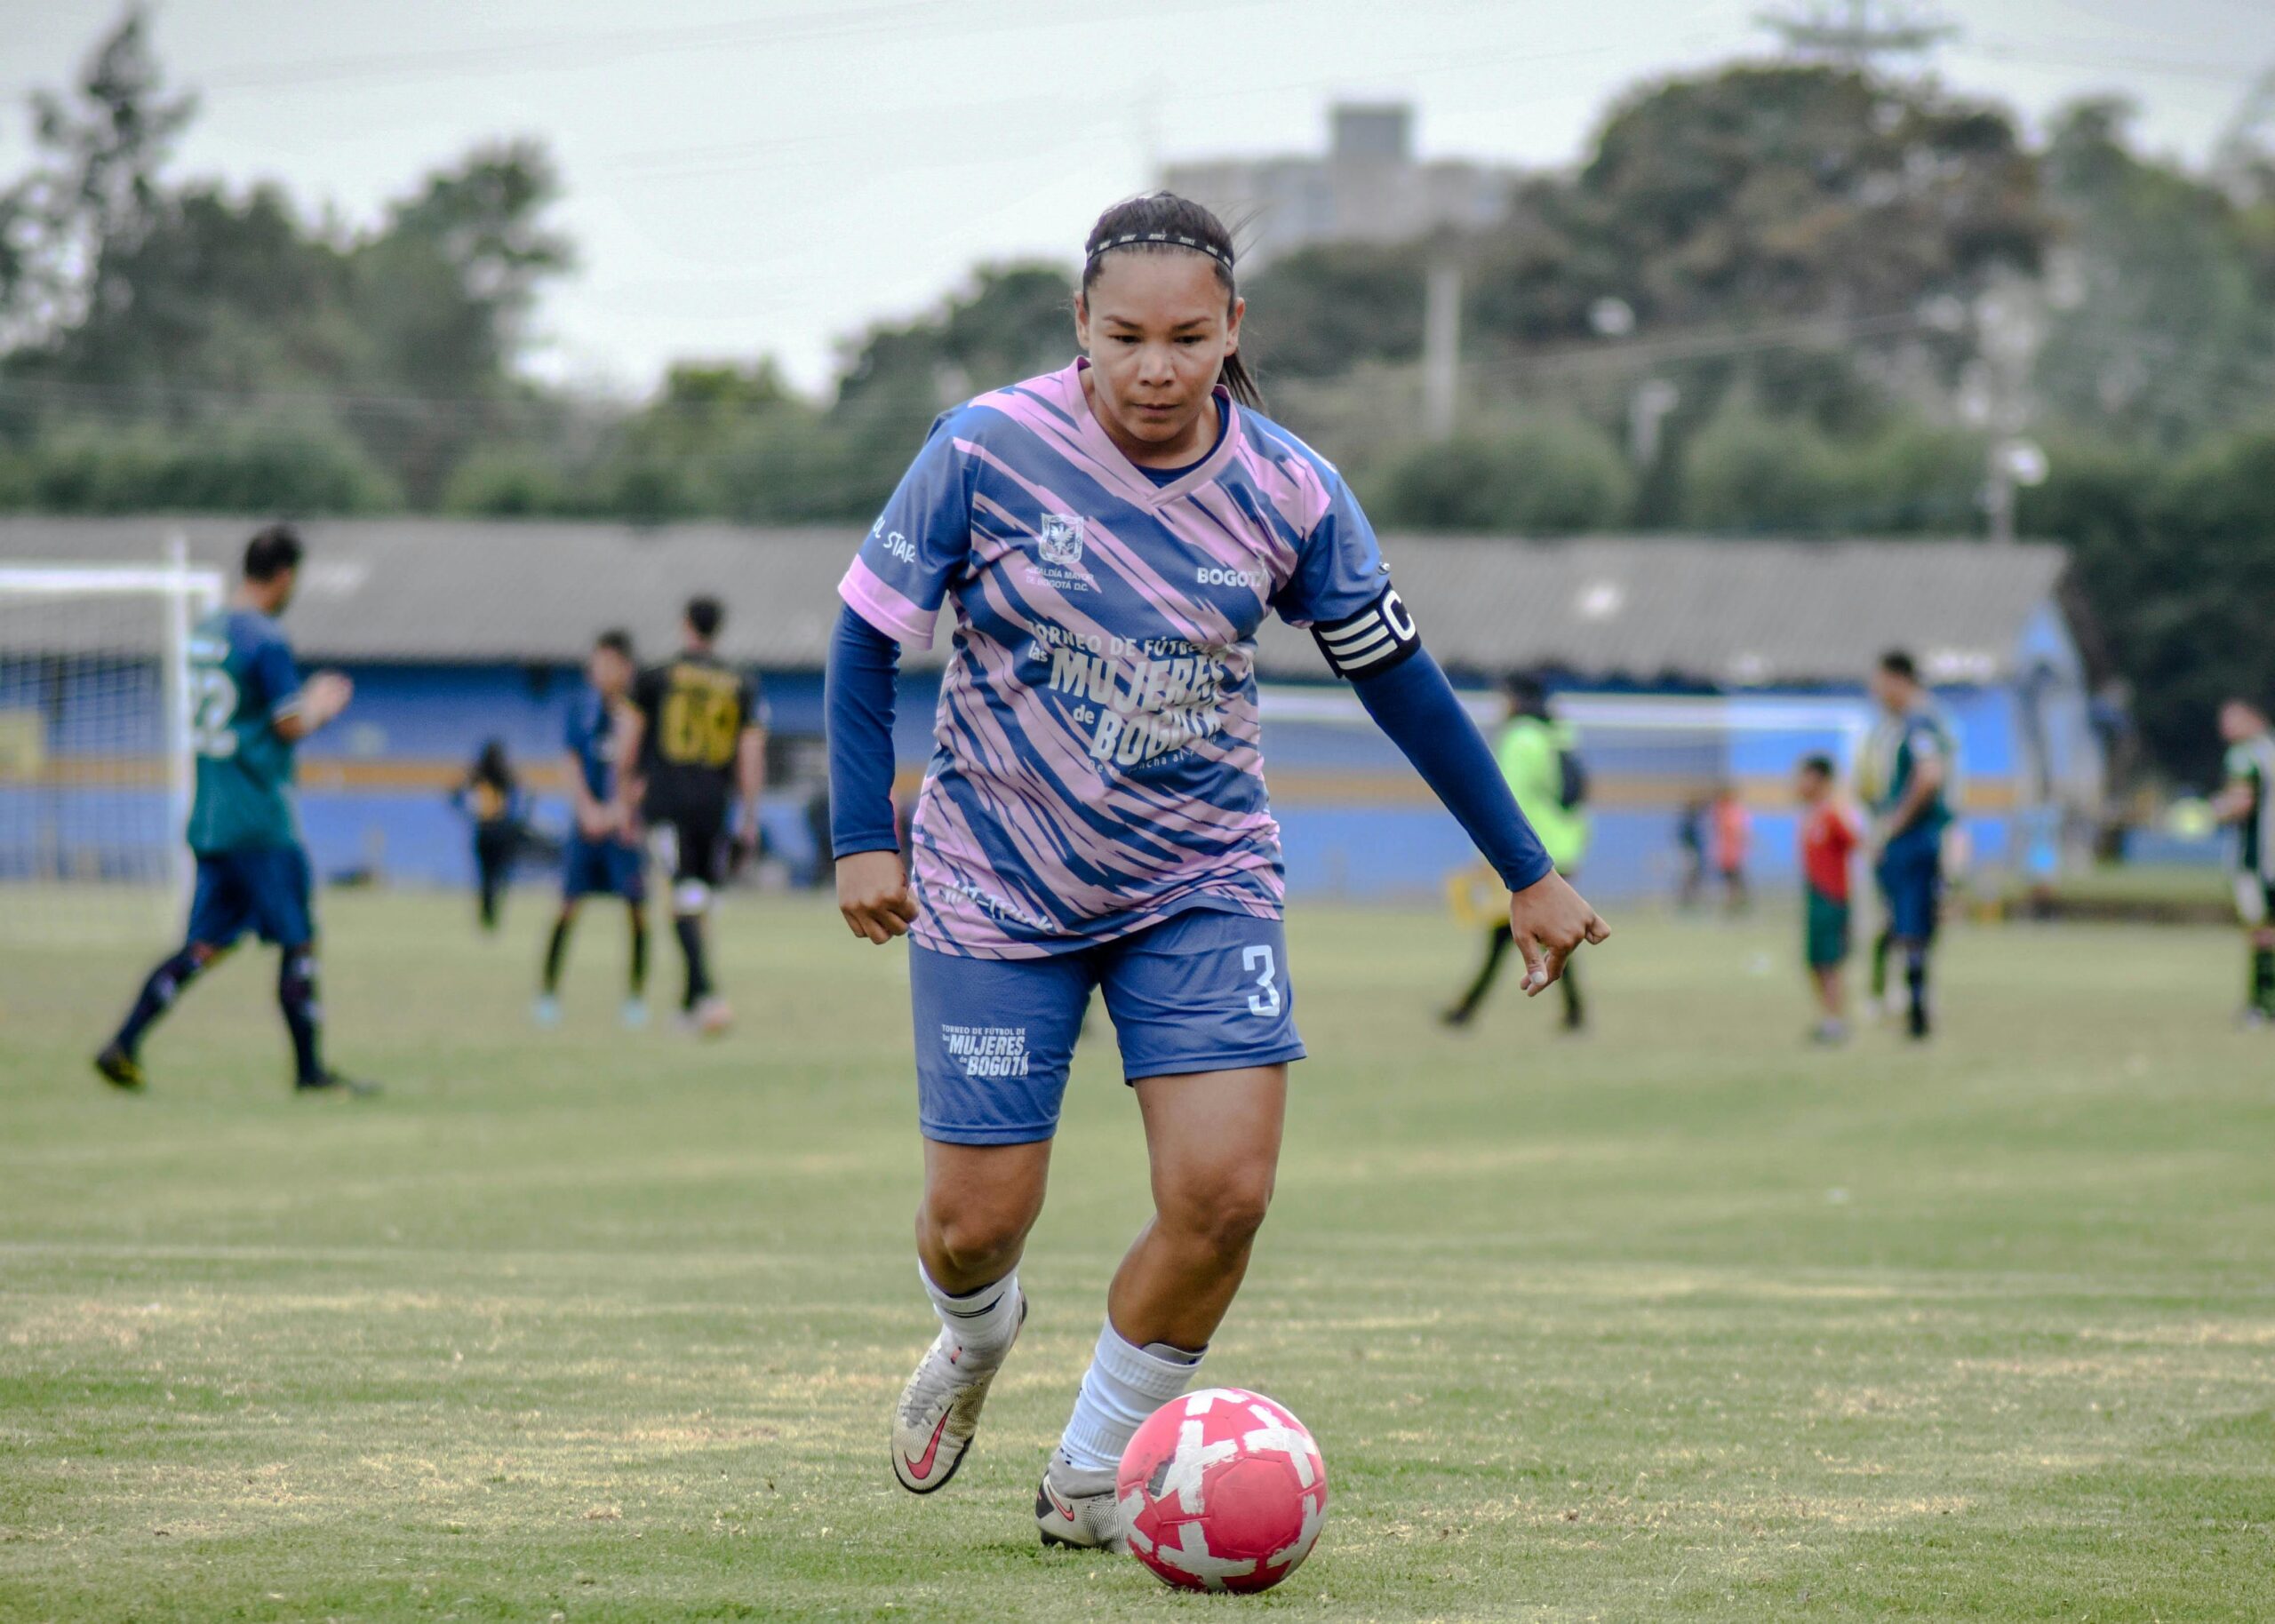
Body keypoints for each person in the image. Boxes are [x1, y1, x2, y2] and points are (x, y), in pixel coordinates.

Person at [825, 192, 1608, 1551]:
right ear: (1079, 324)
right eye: (1124, 335)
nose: (1154, 366)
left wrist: (1525, 869)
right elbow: (860, 640)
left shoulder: (1291, 489)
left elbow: (1402, 686)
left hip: (1200, 881)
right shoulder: (982, 450)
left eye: (1188, 338)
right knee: (972, 1228)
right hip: (996, 885)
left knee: (1225, 1199)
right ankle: (974, 1335)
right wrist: (857, 835)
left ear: (1232, 329)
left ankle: (1086, 1474)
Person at [93, 524, 371, 1096]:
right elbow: (290, 722)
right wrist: (321, 705)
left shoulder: (206, 630)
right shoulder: (265, 637)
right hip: (260, 819)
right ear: (286, 576)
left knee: (205, 944)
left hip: (211, 817)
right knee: (298, 941)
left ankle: (124, 1043)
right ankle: (310, 1073)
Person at [613, 596, 766, 1036]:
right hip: (714, 805)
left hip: (668, 803)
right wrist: (750, 814)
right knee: (698, 901)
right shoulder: (740, 682)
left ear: (685, 625)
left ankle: (708, 994)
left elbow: (627, 745)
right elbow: (750, 753)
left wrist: (625, 801)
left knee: (679, 901)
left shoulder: (655, 676)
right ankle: (689, 1004)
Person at [1441, 673, 1591, 1031]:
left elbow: (1507, 800)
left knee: (1524, 933)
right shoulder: (1560, 733)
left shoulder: (1520, 739)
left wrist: (1493, 852)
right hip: (1565, 846)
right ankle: (1468, 1010)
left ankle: (1467, 1011)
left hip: (1530, 853)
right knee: (1532, 932)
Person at [537, 630, 650, 1030]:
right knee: (567, 908)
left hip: (624, 832)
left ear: (625, 667)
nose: (598, 672)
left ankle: (635, 1000)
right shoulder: (581, 710)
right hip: (586, 829)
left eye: (607, 664)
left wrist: (620, 811)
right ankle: (547, 995)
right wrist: (588, 811)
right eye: (595, 663)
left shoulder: (638, 713)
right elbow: (571, 764)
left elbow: (646, 772)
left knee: (637, 912)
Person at [1859, 649, 1953, 1040]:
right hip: (1917, 839)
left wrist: (1894, 825)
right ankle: (1904, 1002)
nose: (1876, 692)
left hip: (1912, 841)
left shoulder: (1919, 723)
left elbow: (1930, 775)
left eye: (1880, 683)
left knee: (1908, 924)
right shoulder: (1907, 725)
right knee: (1907, 924)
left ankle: (1916, 1014)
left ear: (1899, 680)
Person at [2213, 697, 2275, 1027]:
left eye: (2232, 720)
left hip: (2256, 859)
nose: (2225, 728)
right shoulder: (2270, 749)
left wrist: (2209, 812)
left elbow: (2241, 803)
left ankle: (2262, 1005)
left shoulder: (2243, 755)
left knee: (2260, 931)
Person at [1795, 753, 1860, 1045]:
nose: (1798, 784)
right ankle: (1827, 1017)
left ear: (1820, 781)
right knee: (1815, 962)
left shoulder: (1833, 814)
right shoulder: (1810, 816)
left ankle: (1835, 1021)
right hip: (1814, 894)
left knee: (1830, 961)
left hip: (1831, 897)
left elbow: (1856, 842)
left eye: (1804, 777)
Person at [451, 739, 527, 932]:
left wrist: (467, 812)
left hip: (488, 830)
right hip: (497, 831)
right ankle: (490, 916)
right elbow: (525, 797)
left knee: (487, 878)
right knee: (496, 877)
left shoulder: (479, 773)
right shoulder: (504, 773)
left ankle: (487, 916)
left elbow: (455, 794)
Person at [1711, 782, 1752, 912]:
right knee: (1732, 882)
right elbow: (1737, 830)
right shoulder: (1723, 811)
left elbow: (1740, 831)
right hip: (1727, 854)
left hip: (1732, 853)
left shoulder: (1729, 811)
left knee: (1734, 882)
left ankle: (1735, 905)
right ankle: (1733, 906)